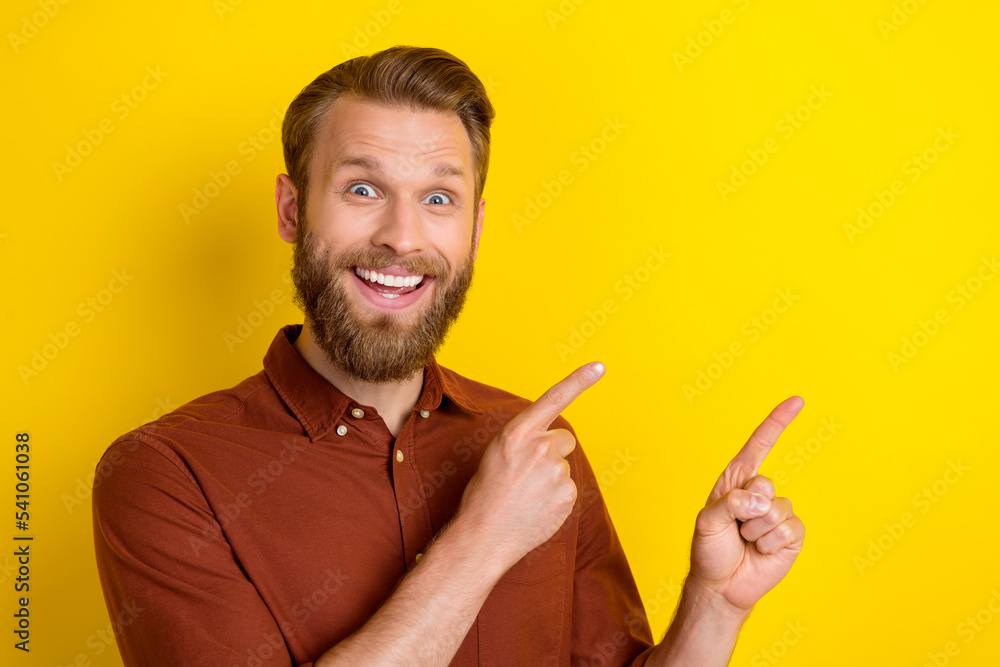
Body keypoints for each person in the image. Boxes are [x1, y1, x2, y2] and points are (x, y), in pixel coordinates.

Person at [92, 45, 805, 666]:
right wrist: (484, 539)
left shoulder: (538, 449)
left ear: (476, 226)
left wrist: (716, 603)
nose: (403, 237)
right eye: (362, 188)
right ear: (291, 210)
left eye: (439, 197)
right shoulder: (162, 475)